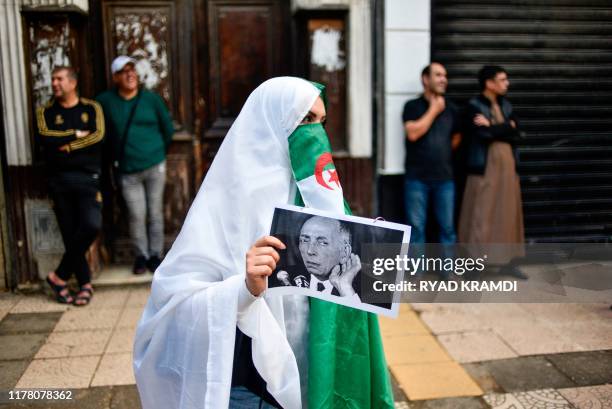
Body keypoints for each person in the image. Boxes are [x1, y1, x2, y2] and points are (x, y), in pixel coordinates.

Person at [133, 77, 394, 409]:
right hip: (248, 387)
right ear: (271, 120)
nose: (316, 134)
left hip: (315, 378)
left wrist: (370, 254)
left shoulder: (319, 195)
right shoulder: (226, 198)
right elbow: (172, 306)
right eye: (306, 119)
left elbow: (348, 298)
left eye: (321, 122)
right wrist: (243, 289)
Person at [96, 56, 174, 274]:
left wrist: (156, 151)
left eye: (132, 70)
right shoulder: (105, 102)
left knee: (155, 212)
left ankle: (156, 256)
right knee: (136, 214)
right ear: (115, 77)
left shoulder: (151, 99)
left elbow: (167, 130)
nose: (130, 74)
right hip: (127, 170)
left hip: (154, 164)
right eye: (124, 72)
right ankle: (141, 255)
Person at [37, 66, 105, 306]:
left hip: (88, 179)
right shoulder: (45, 112)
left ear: (73, 83)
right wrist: (77, 135)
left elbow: (97, 136)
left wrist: (67, 145)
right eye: (53, 79)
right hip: (60, 181)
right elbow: (46, 138)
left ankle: (59, 276)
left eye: (59, 79)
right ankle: (85, 284)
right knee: (70, 234)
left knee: (90, 225)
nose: (54, 83)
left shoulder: (91, 108)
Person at [458, 65, 526, 279]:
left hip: (508, 169)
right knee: (480, 216)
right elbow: (482, 135)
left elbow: (519, 132)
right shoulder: (473, 106)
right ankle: (474, 265)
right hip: (484, 169)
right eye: (503, 79)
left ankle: (508, 262)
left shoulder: (506, 105)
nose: (507, 83)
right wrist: (507, 127)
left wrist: (496, 126)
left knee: (508, 214)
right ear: (489, 83)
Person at [402, 62, 461, 278]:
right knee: (417, 228)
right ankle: (418, 273)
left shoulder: (453, 110)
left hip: (445, 178)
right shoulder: (412, 106)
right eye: (438, 75)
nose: (443, 79)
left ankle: (448, 272)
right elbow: (413, 134)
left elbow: (456, 138)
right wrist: (434, 110)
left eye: (445, 75)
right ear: (425, 79)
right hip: (417, 178)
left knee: (447, 228)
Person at [276, 216, 361, 298]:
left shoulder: (363, 291)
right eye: (305, 241)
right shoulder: (282, 277)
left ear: (344, 252)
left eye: (323, 243)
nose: (310, 251)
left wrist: (345, 288)